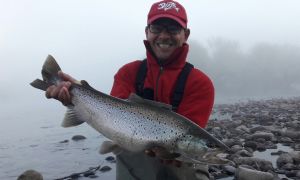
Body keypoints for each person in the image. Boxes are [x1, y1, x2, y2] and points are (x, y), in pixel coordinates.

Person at [45, 0, 214, 179]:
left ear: (185, 35)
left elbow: (185, 148)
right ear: (147, 32)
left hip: (181, 165)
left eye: (173, 29)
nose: (164, 36)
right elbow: (111, 118)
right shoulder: (128, 73)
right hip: (134, 161)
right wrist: (75, 95)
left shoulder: (200, 83)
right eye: (157, 28)